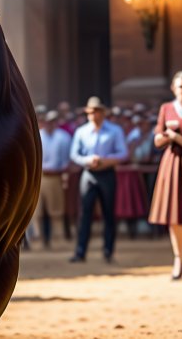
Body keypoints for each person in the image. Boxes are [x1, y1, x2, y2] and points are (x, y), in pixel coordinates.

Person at [69, 96, 128, 263]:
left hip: (107, 173)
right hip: (88, 174)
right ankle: (80, 252)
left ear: (102, 113)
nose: (92, 115)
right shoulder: (81, 131)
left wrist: (105, 160)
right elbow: (74, 154)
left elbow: (123, 153)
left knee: (108, 213)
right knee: (85, 214)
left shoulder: (115, 131)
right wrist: (88, 160)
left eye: (95, 111)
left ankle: (108, 251)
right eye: (90, 112)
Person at [148, 70, 182, 280]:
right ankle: (178, 257)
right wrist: (165, 138)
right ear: (174, 89)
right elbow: (156, 139)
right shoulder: (167, 108)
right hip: (172, 164)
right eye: (180, 87)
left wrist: (175, 137)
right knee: (175, 214)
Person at [35, 110, 71, 248]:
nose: (50, 124)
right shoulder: (38, 135)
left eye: (52, 121)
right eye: (48, 121)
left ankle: (57, 239)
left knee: (56, 210)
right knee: (38, 211)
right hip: (40, 177)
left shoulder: (64, 137)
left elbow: (67, 159)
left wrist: (64, 172)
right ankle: (40, 239)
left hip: (56, 176)